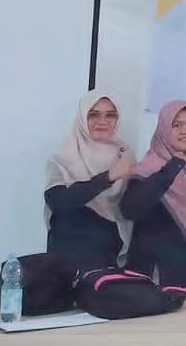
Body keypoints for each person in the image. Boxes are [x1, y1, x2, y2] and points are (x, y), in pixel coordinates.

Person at [121, 100, 186, 298]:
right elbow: (130, 209)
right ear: (163, 129)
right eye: (177, 125)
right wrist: (173, 168)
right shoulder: (148, 168)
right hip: (158, 274)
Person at [44, 90, 134, 272]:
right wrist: (108, 177)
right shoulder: (64, 157)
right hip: (68, 259)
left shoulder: (125, 155)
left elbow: (131, 208)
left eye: (110, 115)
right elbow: (60, 203)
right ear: (82, 117)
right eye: (93, 114)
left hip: (110, 260)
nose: (102, 121)